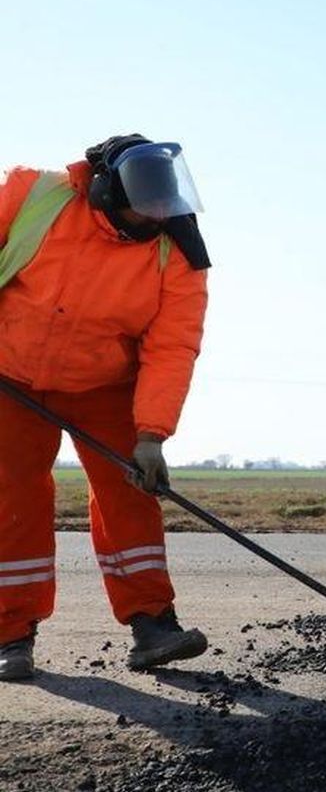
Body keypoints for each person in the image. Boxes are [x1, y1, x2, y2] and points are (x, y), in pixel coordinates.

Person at [0, 134, 214, 681]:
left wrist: (151, 435)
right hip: (10, 375)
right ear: (103, 190)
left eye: (161, 207)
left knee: (130, 491)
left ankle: (153, 624)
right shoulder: (32, 197)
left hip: (106, 386)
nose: (152, 219)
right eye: (140, 207)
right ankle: (10, 635)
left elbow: (172, 347)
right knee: (11, 499)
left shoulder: (180, 253)